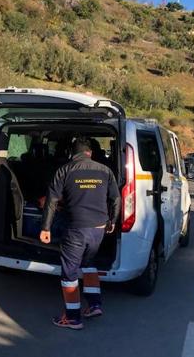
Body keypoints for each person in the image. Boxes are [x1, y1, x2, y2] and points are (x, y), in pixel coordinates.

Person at [39, 136, 121, 330]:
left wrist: (45, 228)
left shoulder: (64, 170)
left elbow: (51, 201)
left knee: (69, 272)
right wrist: (112, 222)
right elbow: (116, 199)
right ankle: (94, 305)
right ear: (90, 153)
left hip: (76, 229)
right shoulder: (105, 170)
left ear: (72, 153)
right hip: (99, 229)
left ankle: (73, 318)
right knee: (89, 264)